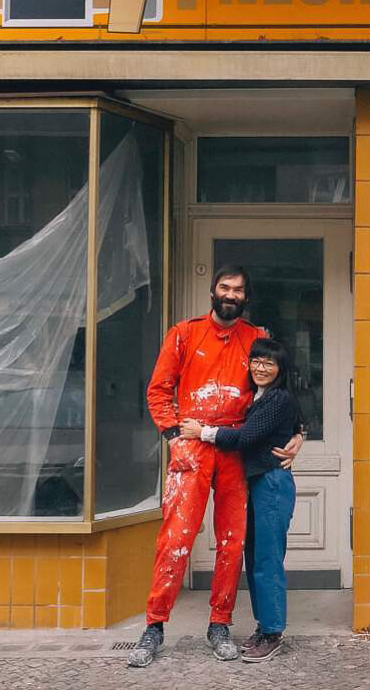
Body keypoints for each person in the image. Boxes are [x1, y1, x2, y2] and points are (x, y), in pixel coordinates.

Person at [128, 265, 302, 668]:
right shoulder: (184, 334)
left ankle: (219, 623)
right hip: (192, 449)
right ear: (213, 291)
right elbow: (158, 390)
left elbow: (281, 388)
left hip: (237, 452)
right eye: (225, 287)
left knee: (232, 543)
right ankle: (154, 625)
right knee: (175, 540)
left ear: (246, 297)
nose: (231, 294)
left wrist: (300, 433)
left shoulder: (257, 339)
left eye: (239, 290)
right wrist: (173, 437)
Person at [181, 337, 301, 663]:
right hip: (257, 483)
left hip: (272, 484)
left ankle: (273, 632)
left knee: (268, 560)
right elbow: (298, 420)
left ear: (280, 369)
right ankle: (265, 627)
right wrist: (299, 433)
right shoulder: (258, 397)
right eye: (257, 361)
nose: (261, 368)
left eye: (269, 363)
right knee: (255, 557)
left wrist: (202, 432)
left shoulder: (278, 399)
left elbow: (246, 438)